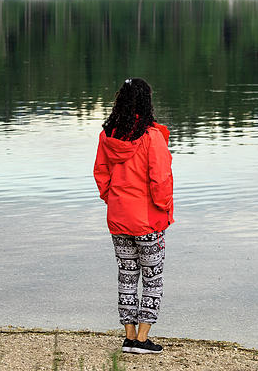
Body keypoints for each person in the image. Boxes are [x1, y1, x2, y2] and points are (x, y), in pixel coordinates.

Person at [93, 77, 174, 355]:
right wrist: (164, 209)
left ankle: (128, 338)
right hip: (147, 220)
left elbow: (101, 176)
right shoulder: (152, 137)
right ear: (146, 102)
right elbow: (160, 180)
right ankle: (141, 339)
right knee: (152, 278)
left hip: (118, 218)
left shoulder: (108, 136)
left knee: (127, 275)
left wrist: (114, 201)